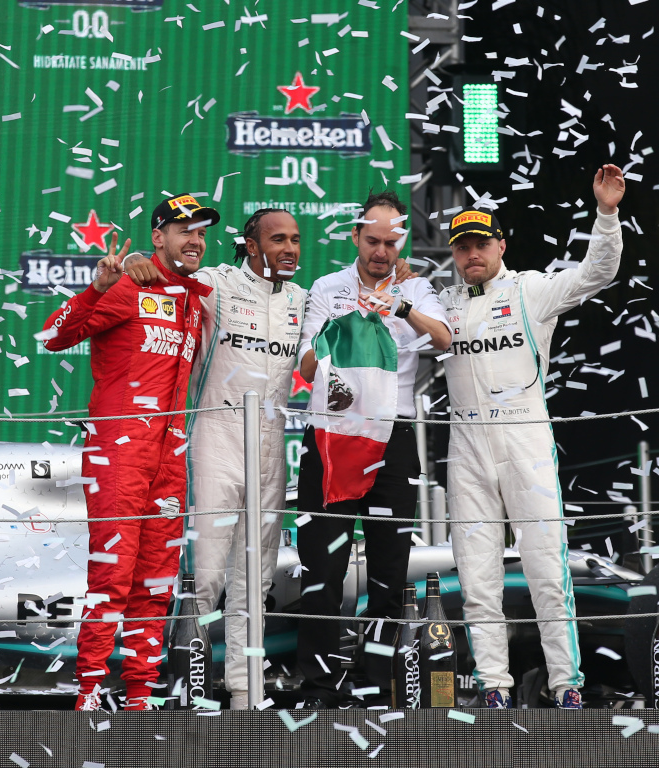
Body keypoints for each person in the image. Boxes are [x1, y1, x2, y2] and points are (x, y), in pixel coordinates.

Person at [441, 165, 625, 710]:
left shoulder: (532, 290)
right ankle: (493, 687)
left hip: (525, 436)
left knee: (546, 566)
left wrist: (607, 214)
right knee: (477, 578)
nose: (472, 253)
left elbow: (598, 272)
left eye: (480, 243)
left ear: (500, 244)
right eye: (462, 246)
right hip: (465, 443)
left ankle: (567, 685)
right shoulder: (442, 303)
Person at [41, 193, 218, 711]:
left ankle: (140, 694)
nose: (196, 241)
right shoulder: (129, 284)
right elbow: (52, 335)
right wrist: (97, 288)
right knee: (113, 573)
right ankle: (90, 690)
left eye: (202, 233)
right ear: (157, 237)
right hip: (119, 450)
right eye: (184, 230)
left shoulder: (197, 296)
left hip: (170, 453)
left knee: (156, 578)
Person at [295, 190, 451, 708]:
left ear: (400, 241)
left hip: (395, 435)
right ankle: (318, 690)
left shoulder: (417, 287)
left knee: (388, 570)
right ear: (354, 236)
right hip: (332, 435)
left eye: (390, 242)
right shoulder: (326, 287)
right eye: (372, 240)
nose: (381, 251)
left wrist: (400, 306)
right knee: (322, 570)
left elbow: (444, 339)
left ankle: (374, 686)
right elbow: (307, 367)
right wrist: (349, 326)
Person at [183, 208, 305, 710]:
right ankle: (189, 689)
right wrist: (143, 266)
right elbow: (173, 271)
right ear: (251, 245)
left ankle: (242, 694)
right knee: (207, 575)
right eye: (278, 240)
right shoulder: (220, 282)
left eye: (296, 240)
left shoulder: (304, 298)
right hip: (216, 432)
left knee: (253, 580)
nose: (291, 249)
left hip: (271, 441)